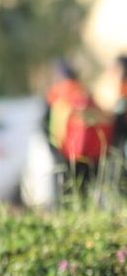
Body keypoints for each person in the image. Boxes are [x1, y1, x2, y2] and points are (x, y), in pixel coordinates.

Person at [43, 59, 105, 196]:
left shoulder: (57, 95)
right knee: (85, 192)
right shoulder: (85, 94)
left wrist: (54, 150)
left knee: (64, 192)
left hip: (66, 152)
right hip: (90, 154)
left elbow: (48, 127)